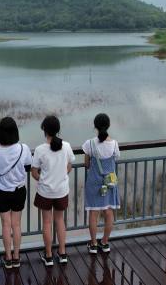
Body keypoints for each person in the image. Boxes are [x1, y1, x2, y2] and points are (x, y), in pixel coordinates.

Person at [0, 117, 32, 269]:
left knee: (6, 225)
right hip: (19, 190)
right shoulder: (23, 148)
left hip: (1, 191)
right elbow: (27, 166)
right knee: (17, 225)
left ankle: (7, 257)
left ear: (0, 133)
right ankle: (17, 257)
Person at [31, 115, 75, 266]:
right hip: (61, 191)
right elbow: (70, 164)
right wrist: (62, 174)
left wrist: (42, 179)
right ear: (58, 130)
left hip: (45, 192)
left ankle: (48, 255)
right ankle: (62, 253)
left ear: (44, 130)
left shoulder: (40, 150)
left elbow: (34, 171)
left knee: (47, 222)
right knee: (60, 221)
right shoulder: (67, 146)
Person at [83, 113, 120, 254]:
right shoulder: (114, 144)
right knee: (109, 212)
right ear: (108, 125)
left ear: (95, 126)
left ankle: (93, 244)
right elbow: (115, 159)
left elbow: (86, 164)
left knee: (94, 213)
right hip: (109, 183)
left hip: (94, 183)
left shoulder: (89, 144)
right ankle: (105, 242)